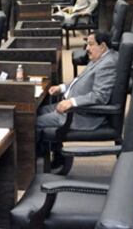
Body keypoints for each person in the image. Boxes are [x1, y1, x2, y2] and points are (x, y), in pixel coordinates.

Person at [37, 31, 118, 169]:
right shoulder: (100, 58)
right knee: (40, 110)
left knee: (34, 122)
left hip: (82, 115)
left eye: (90, 44)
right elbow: (80, 80)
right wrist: (62, 88)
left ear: (103, 46)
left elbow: (100, 96)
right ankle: (56, 155)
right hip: (74, 108)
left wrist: (72, 102)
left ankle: (37, 163)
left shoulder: (107, 64)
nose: (87, 48)